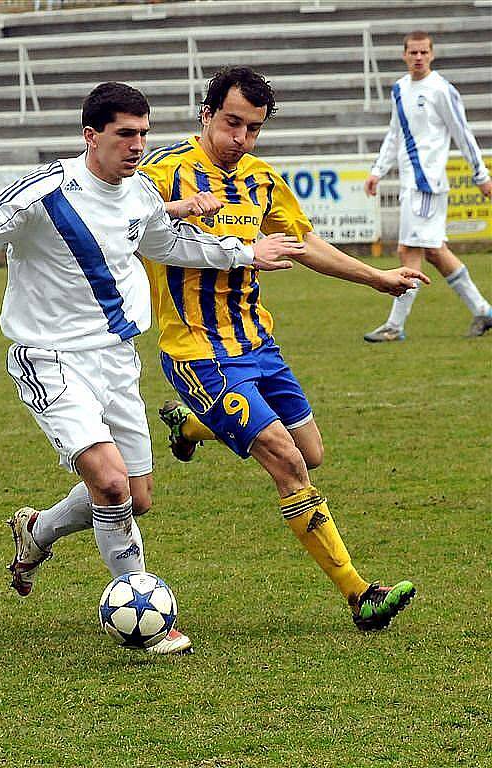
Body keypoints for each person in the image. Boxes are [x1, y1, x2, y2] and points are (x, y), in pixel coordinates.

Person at [0, 81, 304, 656]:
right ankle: (146, 613)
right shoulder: (48, 192)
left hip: (116, 360)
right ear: (91, 135)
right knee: (109, 480)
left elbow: (171, 243)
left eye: (144, 133)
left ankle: (38, 531)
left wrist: (247, 253)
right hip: (49, 357)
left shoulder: (141, 193)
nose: (138, 145)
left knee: (136, 497)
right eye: (126, 134)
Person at [137, 66, 429, 632]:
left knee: (311, 451)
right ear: (206, 113)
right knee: (289, 464)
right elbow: (112, 220)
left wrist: (376, 279)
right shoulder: (161, 173)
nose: (240, 139)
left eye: (252, 129)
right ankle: (359, 595)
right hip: (197, 351)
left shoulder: (262, 180)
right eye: (231, 124)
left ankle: (192, 427)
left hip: (257, 344)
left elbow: (304, 244)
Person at [363, 31, 492, 343]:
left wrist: (481, 175)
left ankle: (394, 326)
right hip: (411, 184)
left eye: (423, 52)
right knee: (434, 251)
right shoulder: (399, 89)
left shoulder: (441, 90)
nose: (418, 57)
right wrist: (377, 170)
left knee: (408, 250)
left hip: (428, 184)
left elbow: (462, 133)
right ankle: (484, 311)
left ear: (432, 54)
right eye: (413, 52)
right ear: (404, 55)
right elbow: (394, 135)